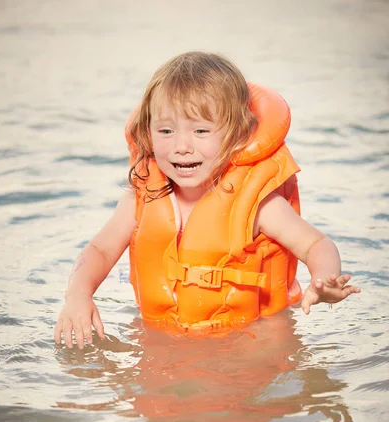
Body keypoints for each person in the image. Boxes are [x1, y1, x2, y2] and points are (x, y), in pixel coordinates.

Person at [54, 51, 360, 349]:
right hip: (164, 339)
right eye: (166, 130)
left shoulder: (257, 205)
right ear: (147, 131)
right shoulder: (141, 197)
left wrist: (325, 279)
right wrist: (78, 295)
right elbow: (100, 249)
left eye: (201, 130)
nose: (181, 146)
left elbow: (316, 245)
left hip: (249, 343)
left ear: (239, 134)